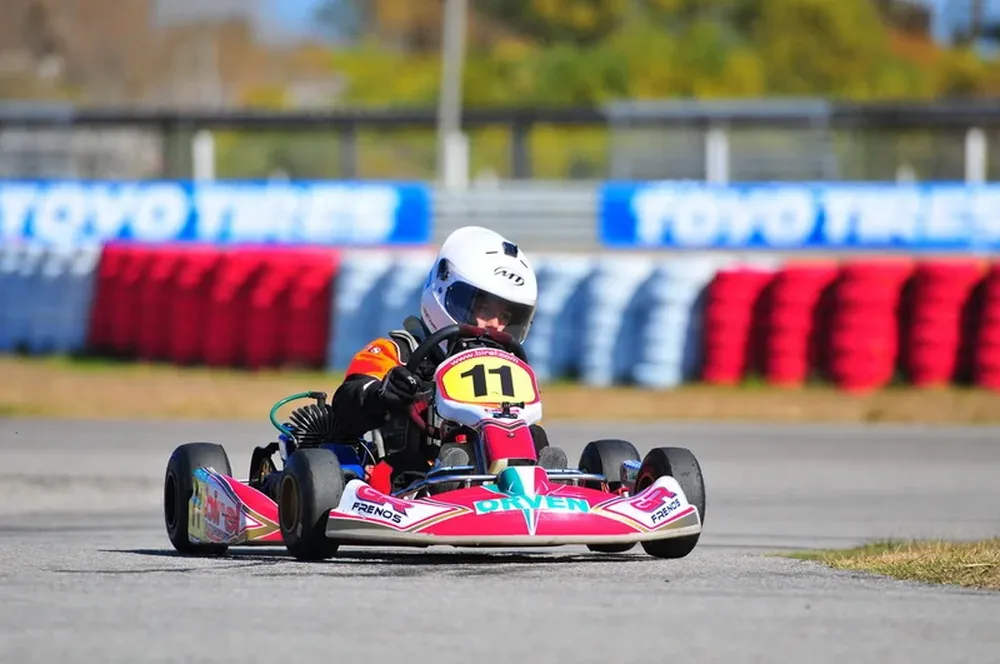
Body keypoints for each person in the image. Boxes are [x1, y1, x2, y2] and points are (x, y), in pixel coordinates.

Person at [251, 226, 564, 500]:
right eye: (483, 307)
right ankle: (447, 481)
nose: (495, 324)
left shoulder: (504, 365)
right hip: (401, 475)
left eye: (506, 317)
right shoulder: (397, 350)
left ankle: (542, 482)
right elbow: (347, 403)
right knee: (382, 466)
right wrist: (382, 393)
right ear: (445, 292)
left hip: (486, 466)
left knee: (533, 436)